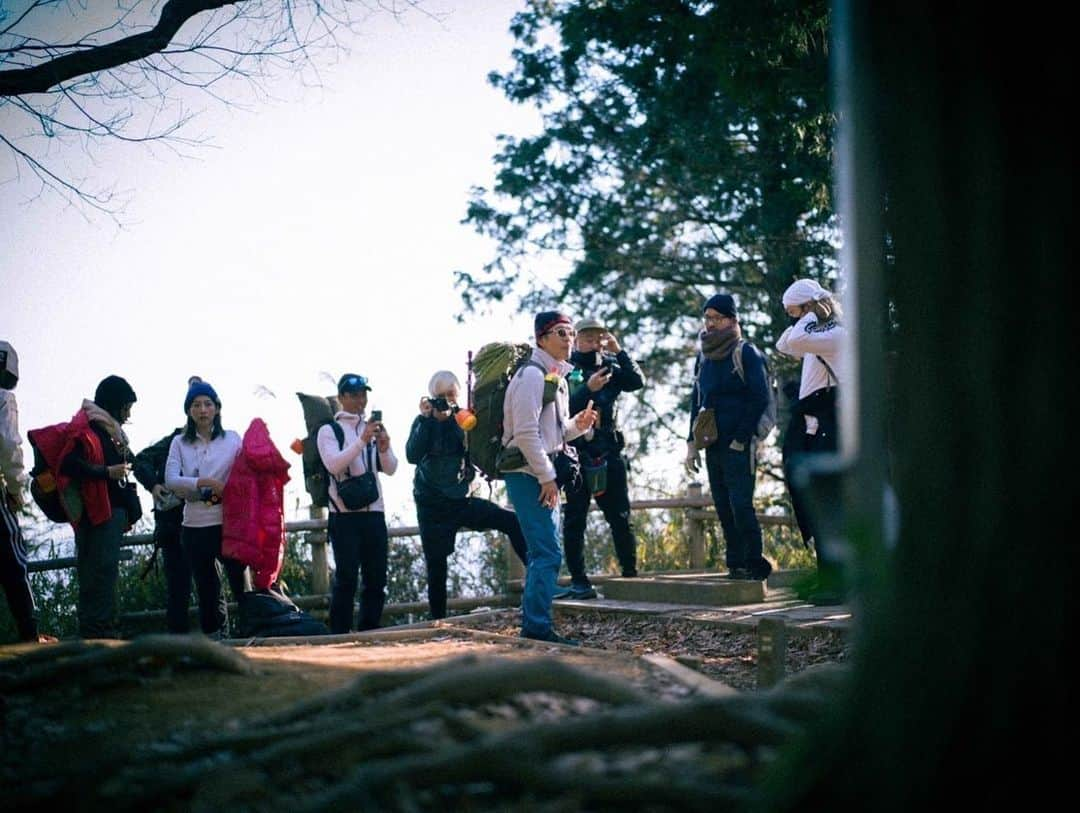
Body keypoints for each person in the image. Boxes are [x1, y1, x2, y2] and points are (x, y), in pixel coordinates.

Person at [501, 311, 597, 644]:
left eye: (571, 332)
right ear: (541, 338)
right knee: (548, 553)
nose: (569, 338)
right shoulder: (531, 375)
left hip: (539, 472)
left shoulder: (553, 375)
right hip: (528, 473)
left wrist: (577, 427)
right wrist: (547, 477)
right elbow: (525, 434)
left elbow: (552, 432)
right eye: (561, 332)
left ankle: (536, 625)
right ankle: (537, 629)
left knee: (544, 551)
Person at [406, 370, 529, 619]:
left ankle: (540, 582)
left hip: (461, 499)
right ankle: (437, 621)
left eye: (451, 395)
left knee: (511, 521)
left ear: (458, 394)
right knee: (436, 565)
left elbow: (479, 450)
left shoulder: (466, 420)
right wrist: (430, 420)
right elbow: (412, 455)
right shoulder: (424, 421)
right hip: (431, 505)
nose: (447, 401)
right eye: (441, 396)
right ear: (431, 398)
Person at [685, 294, 772, 581]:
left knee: (741, 503)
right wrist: (691, 444)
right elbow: (697, 400)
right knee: (722, 503)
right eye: (707, 317)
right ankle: (734, 563)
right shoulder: (704, 356)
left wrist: (741, 438)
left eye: (716, 318)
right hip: (712, 441)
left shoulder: (746, 352)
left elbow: (760, 397)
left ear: (732, 320)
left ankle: (754, 563)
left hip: (739, 442)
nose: (710, 324)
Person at [558, 318, 645, 599]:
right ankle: (579, 581)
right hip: (576, 452)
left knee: (620, 516)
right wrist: (588, 390)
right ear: (577, 339)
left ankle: (630, 574)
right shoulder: (565, 368)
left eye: (598, 338)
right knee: (575, 519)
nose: (593, 343)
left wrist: (619, 351)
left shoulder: (610, 365)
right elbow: (560, 411)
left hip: (609, 449)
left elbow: (636, 381)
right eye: (587, 338)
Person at [776, 278, 847, 604]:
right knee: (815, 499)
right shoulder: (813, 336)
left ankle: (838, 584)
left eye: (795, 311)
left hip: (831, 424)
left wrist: (813, 311)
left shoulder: (834, 335)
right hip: (814, 423)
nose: (793, 319)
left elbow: (797, 338)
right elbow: (784, 345)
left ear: (809, 307)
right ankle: (827, 579)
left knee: (829, 499)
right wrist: (806, 314)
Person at [164, 380, 247, 638]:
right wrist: (203, 483)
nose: (202, 410)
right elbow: (171, 480)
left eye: (208, 404)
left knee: (241, 584)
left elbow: (247, 474)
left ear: (217, 408)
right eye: (196, 405)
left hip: (229, 523)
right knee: (207, 589)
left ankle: (250, 635)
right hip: (195, 526)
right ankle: (215, 642)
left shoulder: (232, 439)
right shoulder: (179, 442)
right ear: (188, 410)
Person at [317, 373, 398, 633]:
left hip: (374, 513)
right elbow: (334, 464)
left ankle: (369, 630)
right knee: (346, 578)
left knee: (376, 578)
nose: (359, 400)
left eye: (363, 394)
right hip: (343, 516)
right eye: (353, 395)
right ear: (341, 398)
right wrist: (362, 440)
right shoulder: (329, 431)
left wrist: (383, 446)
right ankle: (338, 634)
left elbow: (391, 468)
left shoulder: (372, 428)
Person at [60, 375, 139, 638]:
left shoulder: (107, 430)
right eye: (126, 407)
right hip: (99, 514)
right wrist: (107, 472)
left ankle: (97, 632)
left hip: (103, 513)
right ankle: (98, 634)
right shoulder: (92, 430)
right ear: (115, 405)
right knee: (100, 573)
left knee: (98, 573)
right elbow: (69, 465)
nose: (128, 414)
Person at [132, 376, 202, 634]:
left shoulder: (215, 443)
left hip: (201, 522)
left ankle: (214, 638)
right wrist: (154, 485)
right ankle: (183, 643)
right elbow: (140, 461)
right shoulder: (174, 441)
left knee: (206, 585)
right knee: (180, 589)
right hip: (175, 526)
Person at [1, 341, 55, 643]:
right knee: (12, 557)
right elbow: (9, 447)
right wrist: (17, 491)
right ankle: (30, 634)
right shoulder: (3, 398)